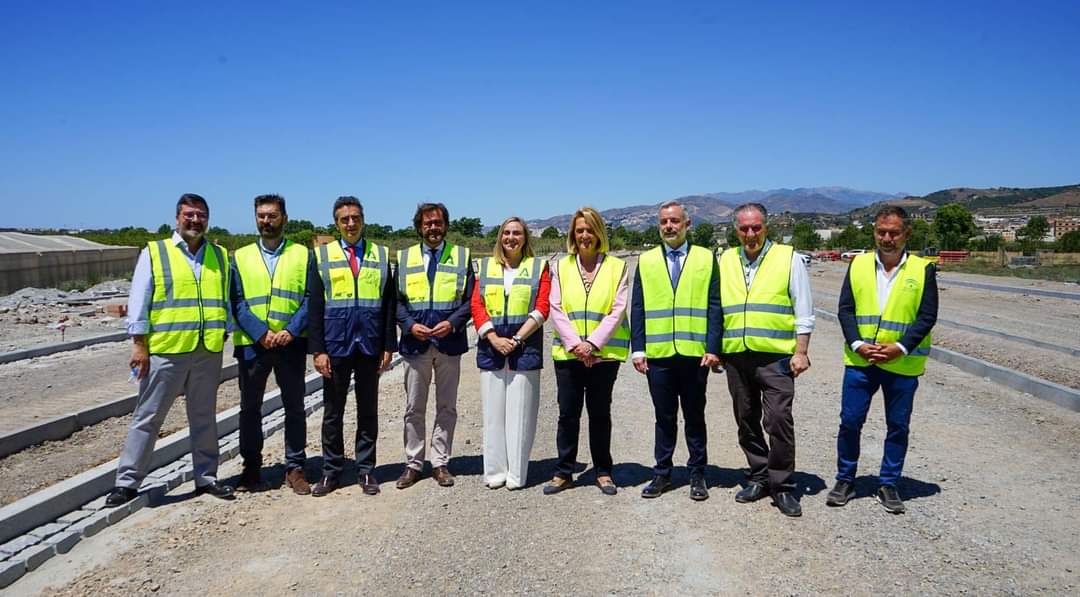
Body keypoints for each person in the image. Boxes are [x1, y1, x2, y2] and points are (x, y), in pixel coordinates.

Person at [106, 193, 235, 506]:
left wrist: (226, 330)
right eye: (189, 214)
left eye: (201, 215)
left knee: (204, 417)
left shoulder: (218, 255)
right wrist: (139, 346)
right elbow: (139, 300)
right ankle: (127, 482)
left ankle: (206, 478)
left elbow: (224, 298)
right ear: (177, 217)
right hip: (166, 351)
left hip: (207, 349)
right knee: (148, 416)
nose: (195, 220)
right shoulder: (156, 252)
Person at [828, 205, 938, 514]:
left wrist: (900, 347)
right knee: (850, 422)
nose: (887, 238)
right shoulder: (859, 264)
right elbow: (846, 310)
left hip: (901, 364)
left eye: (894, 233)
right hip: (861, 361)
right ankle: (845, 479)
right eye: (881, 232)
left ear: (906, 234)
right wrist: (858, 343)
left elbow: (926, 316)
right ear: (874, 231)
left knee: (898, 426)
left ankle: (888, 483)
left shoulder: (922, 269)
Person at [718, 203, 814, 518]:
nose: (750, 234)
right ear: (736, 229)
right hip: (737, 355)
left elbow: (803, 309)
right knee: (745, 419)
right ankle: (758, 476)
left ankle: (783, 485)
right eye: (744, 228)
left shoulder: (789, 258)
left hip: (776, 357)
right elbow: (718, 308)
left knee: (778, 420)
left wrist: (801, 351)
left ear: (766, 227)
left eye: (756, 227)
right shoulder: (726, 259)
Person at [630, 201, 722, 501]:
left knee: (695, 416)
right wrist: (638, 349)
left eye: (674, 221)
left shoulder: (706, 258)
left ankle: (697, 474)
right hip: (658, 356)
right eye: (664, 222)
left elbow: (714, 306)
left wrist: (712, 347)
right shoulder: (646, 261)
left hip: (694, 354)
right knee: (664, 417)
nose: (669, 226)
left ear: (687, 224)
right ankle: (662, 474)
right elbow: (639, 308)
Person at [308, 196, 397, 497]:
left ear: (363, 220)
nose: (350, 223)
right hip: (336, 345)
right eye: (344, 219)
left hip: (370, 344)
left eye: (355, 218)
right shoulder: (322, 256)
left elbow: (388, 304)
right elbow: (316, 306)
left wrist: (389, 344)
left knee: (367, 410)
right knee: (333, 412)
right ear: (336, 223)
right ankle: (331, 472)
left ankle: (366, 470)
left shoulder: (381, 255)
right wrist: (318, 349)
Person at [544, 207, 630, 496]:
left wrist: (593, 344)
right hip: (569, 355)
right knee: (568, 414)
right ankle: (564, 471)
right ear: (573, 234)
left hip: (603, 355)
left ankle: (603, 471)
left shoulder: (618, 267)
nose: (584, 235)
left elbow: (618, 309)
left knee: (599, 413)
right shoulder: (561, 266)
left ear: (599, 234)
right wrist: (577, 346)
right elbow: (555, 308)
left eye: (590, 230)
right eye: (580, 230)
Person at [230, 194, 311, 494]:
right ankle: (251, 466)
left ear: (284, 218)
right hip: (254, 345)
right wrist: (260, 332)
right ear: (255, 218)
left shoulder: (302, 254)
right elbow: (236, 301)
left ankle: (295, 467)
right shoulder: (240, 256)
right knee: (250, 408)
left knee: (295, 407)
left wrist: (291, 330)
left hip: (291, 344)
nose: (266, 221)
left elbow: (309, 297)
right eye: (261, 216)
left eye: (272, 215)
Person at [395, 203, 475, 489]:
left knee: (446, 407)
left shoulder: (461, 256)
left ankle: (440, 462)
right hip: (415, 344)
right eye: (427, 223)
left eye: (438, 223)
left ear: (446, 226)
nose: (433, 228)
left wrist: (452, 323)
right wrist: (409, 325)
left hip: (448, 343)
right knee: (414, 407)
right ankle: (413, 464)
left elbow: (470, 300)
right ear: (419, 227)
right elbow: (396, 302)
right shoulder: (404, 259)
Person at [471, 217, 550, 490]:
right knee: (493, 413)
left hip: (524, 345)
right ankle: (494, 472)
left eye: (517, 233)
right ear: (499, 237)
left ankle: (517, 473)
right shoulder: (484, 267)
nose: (511, 238)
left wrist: (516, 339)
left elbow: (542, 307)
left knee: (521, 413)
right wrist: (492, 337)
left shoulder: (538, 267)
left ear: (525, 238)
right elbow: (477, 305)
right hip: (491, 345)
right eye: (506, 233)